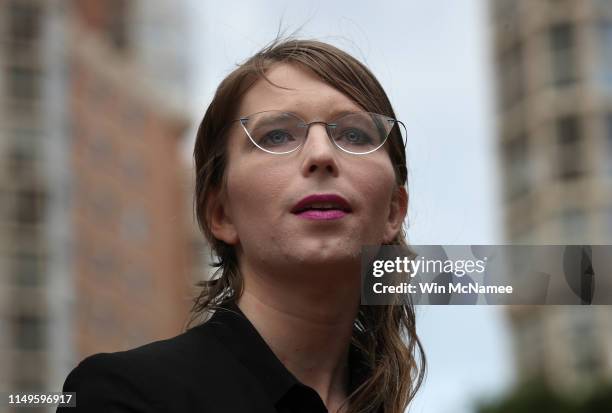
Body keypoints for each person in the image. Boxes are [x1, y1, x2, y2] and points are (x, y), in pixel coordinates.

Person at [58, 38, 425, 413]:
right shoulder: (121, 395)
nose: (321, 154)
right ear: (221, 214)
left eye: (354, 134)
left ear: (394, 211)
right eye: (277, 135)